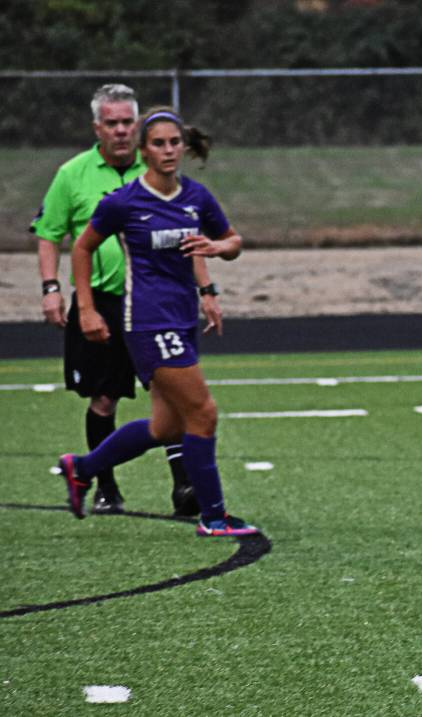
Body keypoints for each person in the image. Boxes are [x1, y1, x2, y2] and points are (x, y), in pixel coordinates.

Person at [55, 106, 259, 538]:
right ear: (144, 152)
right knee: (203, 412)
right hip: (148, 321)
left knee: (165, 427)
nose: (168, 151)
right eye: (158, 144)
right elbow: (82, 248)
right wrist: (87, 308)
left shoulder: (196, 197)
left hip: (182, 318)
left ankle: (82, 468)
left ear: (184, 147)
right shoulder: (125, 202)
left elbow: (233, 240)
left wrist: (219, 251)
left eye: (174, 143)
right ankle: (214, 516)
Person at [31, 84, 220, 517]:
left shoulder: (158, 166)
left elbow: (186, 237)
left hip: (156, 306)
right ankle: (103, 487)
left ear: (137, 127)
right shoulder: (73, 174)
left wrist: (207, 289)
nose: (119, 131)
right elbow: (52, 235)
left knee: (172, 403)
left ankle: (186, 489)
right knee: (106, 398)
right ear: (97, 127)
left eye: (126, 122)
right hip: (101, 303)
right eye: (111, 123)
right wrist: (56, 291)